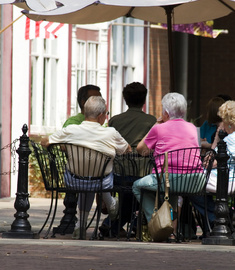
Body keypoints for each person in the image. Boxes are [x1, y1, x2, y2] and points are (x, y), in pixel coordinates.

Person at [41, 96, 132, 239]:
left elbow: (44, 141)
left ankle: (81, 226)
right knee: (98, 175)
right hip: (102, 183)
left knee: (86, 177)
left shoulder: (71, 130)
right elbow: (128, 149)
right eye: (106, 114)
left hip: (74, 180)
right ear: (101, 116)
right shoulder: (111, 132)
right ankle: (111, 203)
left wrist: (65, 146)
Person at [132, 92, 201, 240]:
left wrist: (156, 124)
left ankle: (156, 222)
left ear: (166, 113)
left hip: (169, 179)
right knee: (173, 191)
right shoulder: (193, 128)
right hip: (194, 180)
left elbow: (140, 149)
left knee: (137, 186)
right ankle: (171, 231)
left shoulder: (159, 129)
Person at [99, 82, 156, 238]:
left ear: (125, 100)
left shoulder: (115, 120)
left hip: (118, 173)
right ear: (144, 100)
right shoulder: (151, 121)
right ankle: (126, 224)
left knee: (129, 193)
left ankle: (113, 225)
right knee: (140, 192)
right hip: (143, 172)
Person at [192, 100, 235, 229]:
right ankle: (219, 217)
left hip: (224, 181)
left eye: (223, 120)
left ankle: (219, 218)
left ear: (229, 123)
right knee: (192, 184)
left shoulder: (230, 140)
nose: (221, 124)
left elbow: (209, 163)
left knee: (188, 185)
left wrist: (216, 139)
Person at [56, 85, 102, 235]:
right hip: (78, 170)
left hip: (94, 169)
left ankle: (83, 223)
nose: (99, 102)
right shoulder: (73, 122)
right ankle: (111, 206)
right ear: (83, 102)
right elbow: (62, 145)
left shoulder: (102, 122)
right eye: (95, 99)